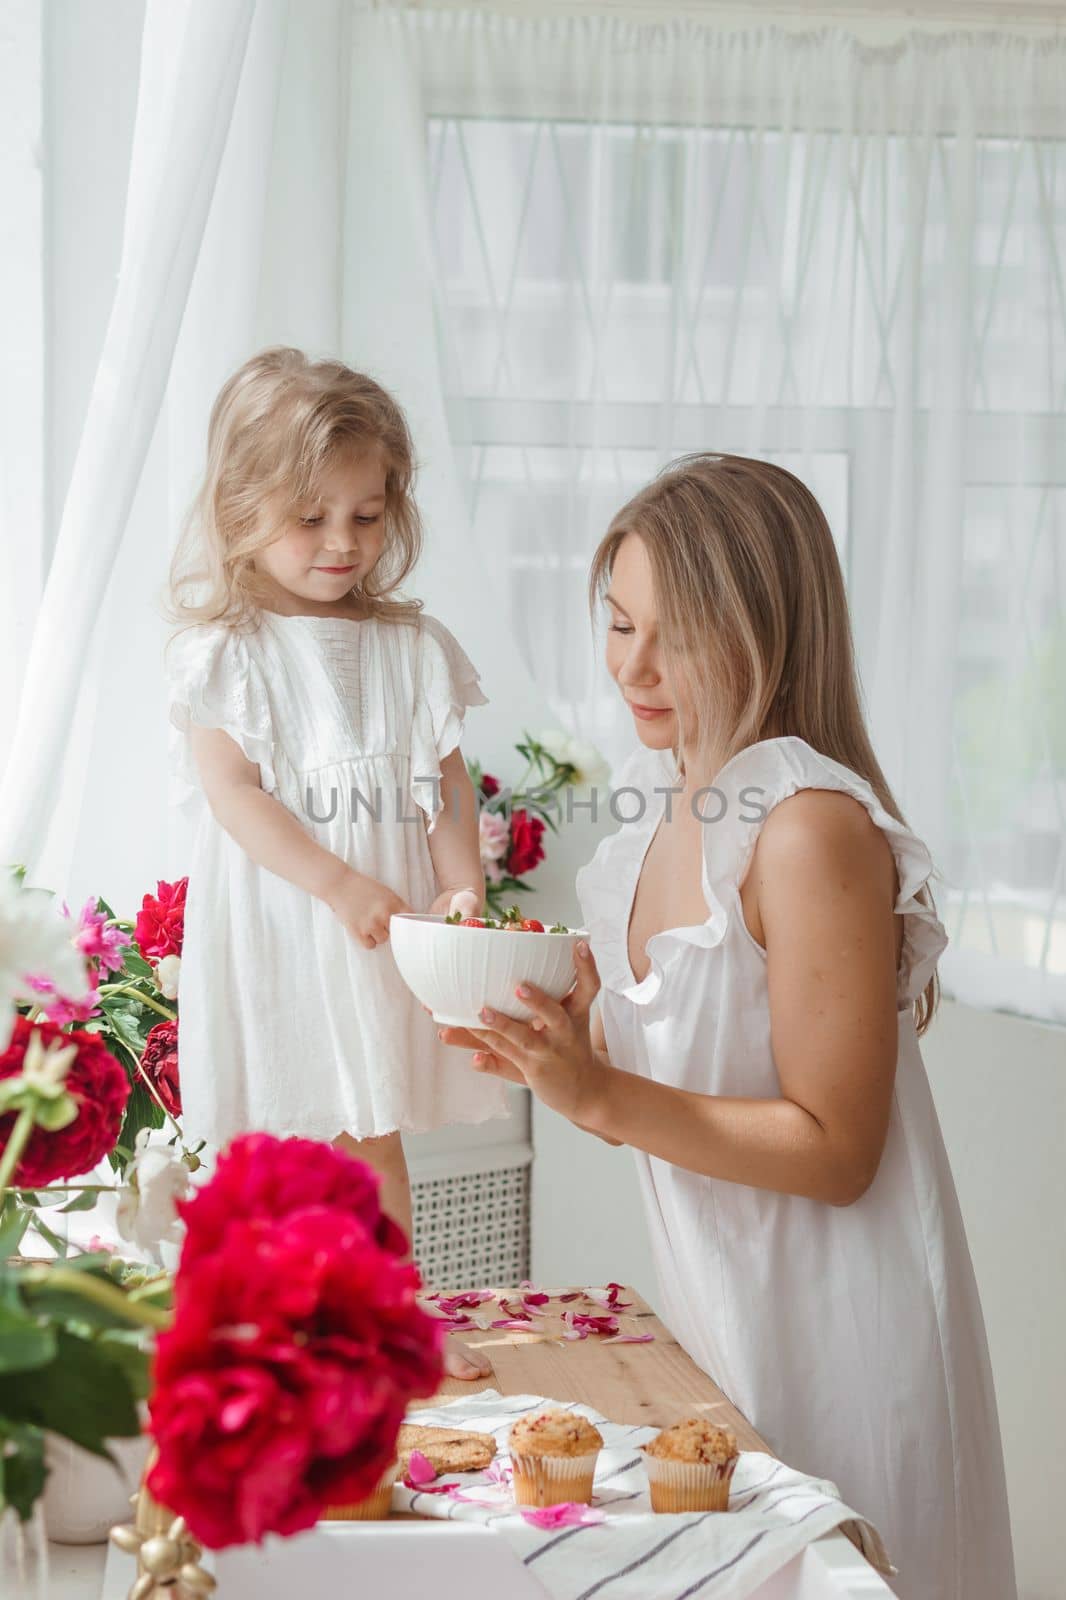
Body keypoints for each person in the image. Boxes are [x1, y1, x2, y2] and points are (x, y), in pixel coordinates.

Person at [440, 455, 1017, 1594]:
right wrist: (557, 1056)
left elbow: (836, 1150)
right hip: (722, 1337)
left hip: (849, 1339)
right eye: (617, 624)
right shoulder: (647, 838)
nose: (633, 669)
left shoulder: (804, 827)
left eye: (678, 634)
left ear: (766, 631)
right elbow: (662, 1111)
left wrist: (598, 1094)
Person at [163, 346, 504, 1378]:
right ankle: (268, 1344)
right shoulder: (231, 651)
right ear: (239, 510)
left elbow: (443, 787)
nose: (341, 542)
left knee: (374, 1132)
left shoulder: (412, 646)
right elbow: (236, 797)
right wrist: (337, 881)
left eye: (365, 514)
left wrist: (464, 891)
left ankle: (387, 1333)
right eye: (309, 517)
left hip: (385, 930)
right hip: (289, 921)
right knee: (281, 1142)